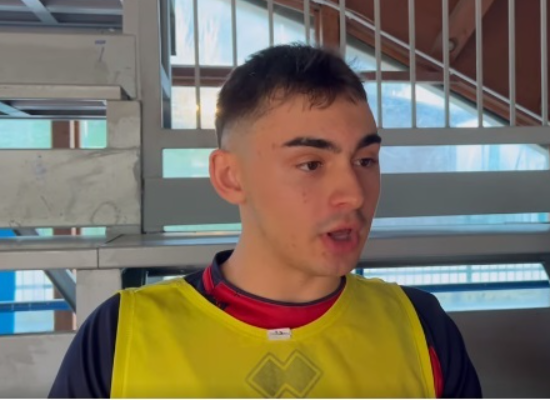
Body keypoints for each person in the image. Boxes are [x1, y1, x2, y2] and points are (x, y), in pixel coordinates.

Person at [49, 44, 481, 398]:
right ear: (230, 177)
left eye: (365, 160)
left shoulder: (419, 326)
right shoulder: (120, 336)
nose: (354, 194)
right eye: (311, 164)